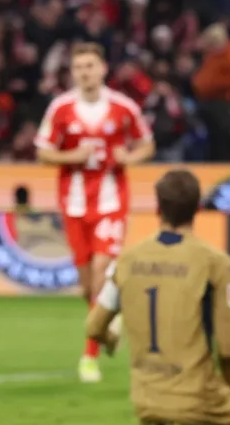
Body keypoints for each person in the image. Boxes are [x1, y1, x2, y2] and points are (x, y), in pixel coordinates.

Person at [87, 169, 230, 425]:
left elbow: (93, 326)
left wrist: (111, 340)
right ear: (198, 209)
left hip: (146, 400)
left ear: (157, 208)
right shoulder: (215, 263)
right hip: (199, 398)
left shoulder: (127, 260)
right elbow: (229, 351)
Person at [36, 42, 155, 384]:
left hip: (110, 203)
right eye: (78, 68)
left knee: (103, 270)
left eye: (90, 66)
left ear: (103, 69)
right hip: (73, 204)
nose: (85, 73)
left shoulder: (123, 107)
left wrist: (129, 159)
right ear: (72, 73)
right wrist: (70, 157)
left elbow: (146, 143)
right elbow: (43, 152)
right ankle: (109, 325)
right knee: (88, 288)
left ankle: (89, 358)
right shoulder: (61, 109)